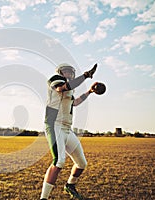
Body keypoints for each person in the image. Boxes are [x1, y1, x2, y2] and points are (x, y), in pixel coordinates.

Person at [40, 63, 98, 200]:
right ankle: (43, 198)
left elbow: (75, 103)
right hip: (55, 125)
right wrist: (85, 75)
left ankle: (70, 185)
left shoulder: (71, 90)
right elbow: (62, 88)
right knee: (59, 161)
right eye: (66, 71)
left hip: (67, 128)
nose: (69, 74)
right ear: (60, 72)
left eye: (71, 72)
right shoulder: (55, 79)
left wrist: (89, 91)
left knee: (81, 163)